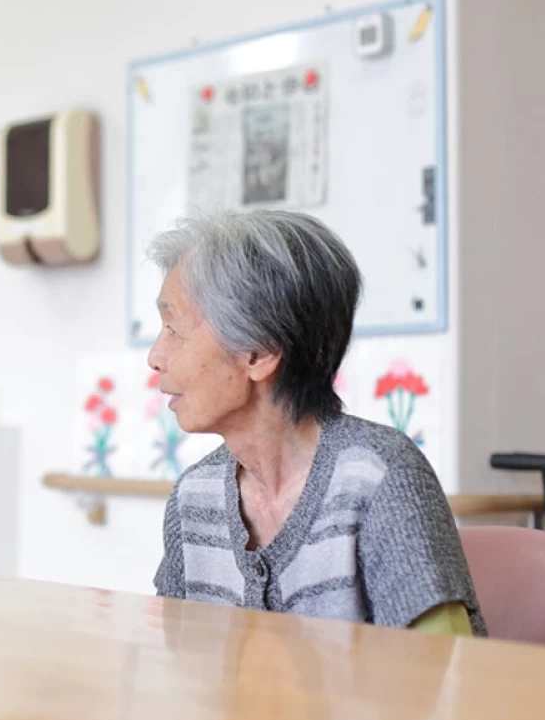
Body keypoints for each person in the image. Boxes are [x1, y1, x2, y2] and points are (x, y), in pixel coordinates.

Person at [148, 210, 484, 635]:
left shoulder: (379, 478)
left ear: (258, 353)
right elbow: (177, 669)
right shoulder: (194, 499)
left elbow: (445, 678)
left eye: (173, 329)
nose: (155, 357)